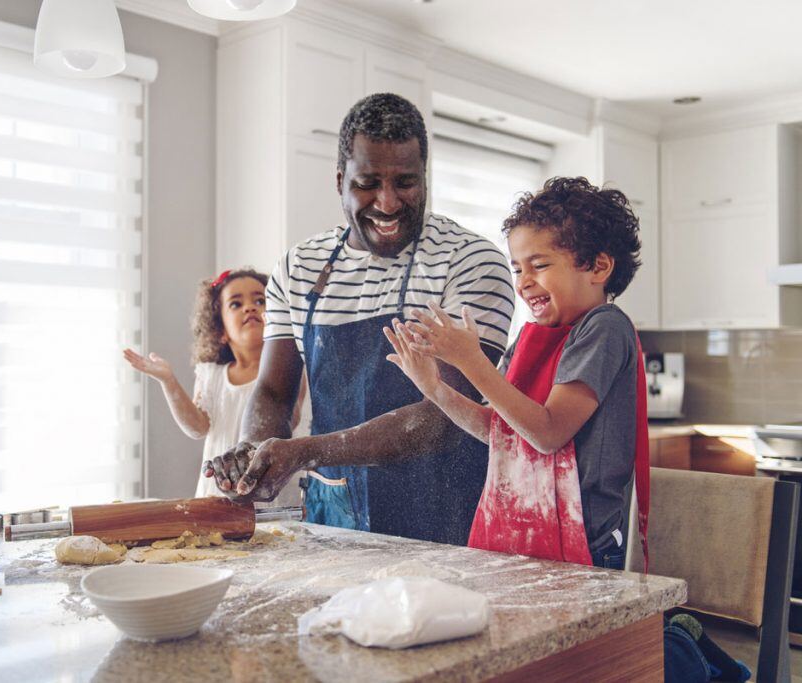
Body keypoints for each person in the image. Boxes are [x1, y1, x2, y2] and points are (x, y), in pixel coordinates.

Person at [205, 93, 515, 545]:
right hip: (333, 522)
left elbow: (446, 416)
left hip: (447, 517)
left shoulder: (469, 261)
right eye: (368, 183)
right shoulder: (299, 268)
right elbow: (273, 391)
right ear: (340, 181)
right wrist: (253, 455)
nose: (388, 203)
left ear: (426, 179)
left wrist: (305, 452)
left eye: (406, 183)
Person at [385, 176, 649, 568]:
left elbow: (547, 432)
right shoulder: (528, 339)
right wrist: (435, 388)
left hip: (585, 552)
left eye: (539, 266)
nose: (524, 283)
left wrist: (472, 361)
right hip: (523, 537)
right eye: (517, 269)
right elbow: (498, 433)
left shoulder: (604, 328)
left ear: (599, 267)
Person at [124, 268, 306, 500]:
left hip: (268, 491)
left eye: (260, 300)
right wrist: (168, 381)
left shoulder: (291, 367)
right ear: (220, 330)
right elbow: (198, 427)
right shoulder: (211, 374)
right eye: (235, 304)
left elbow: (290, 419)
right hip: (218, 491)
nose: (250, 307)